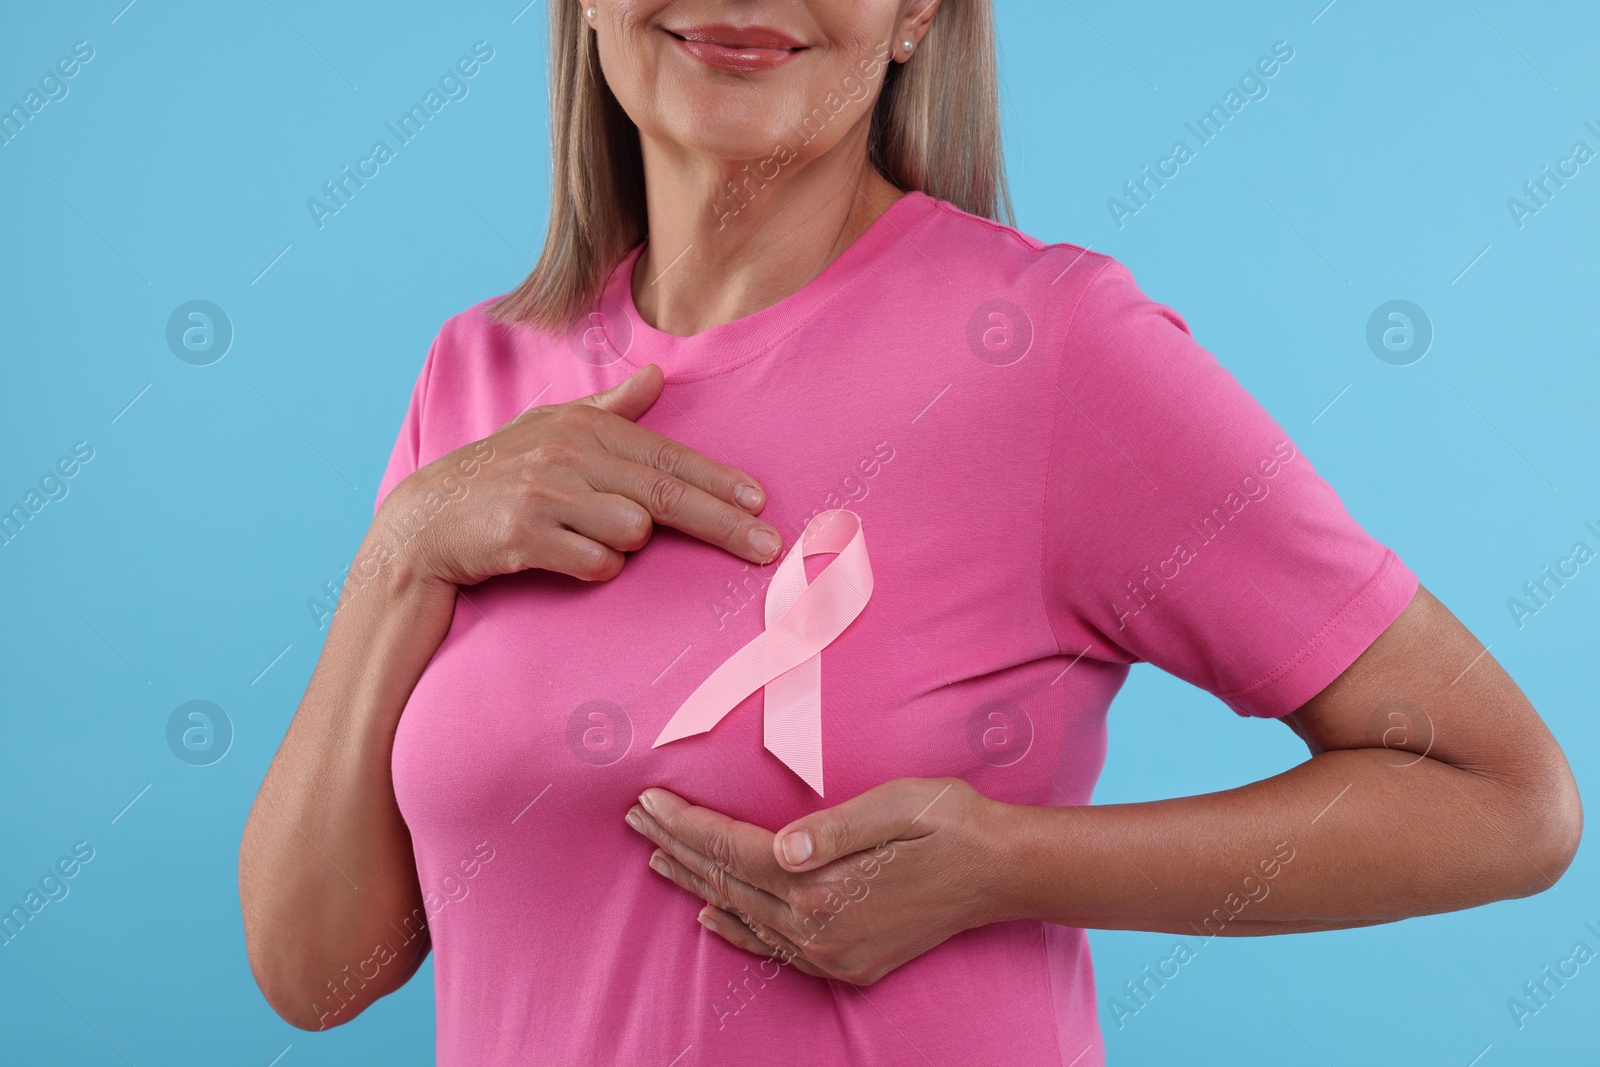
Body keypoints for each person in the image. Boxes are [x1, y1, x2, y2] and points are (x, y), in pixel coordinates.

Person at [238, 2, 1583, 1064]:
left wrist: (1008, 868)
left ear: (919, 10)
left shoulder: (1051, 352)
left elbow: (1505, 800)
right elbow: (317, 975)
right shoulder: (482, 373)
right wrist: (404, 548)